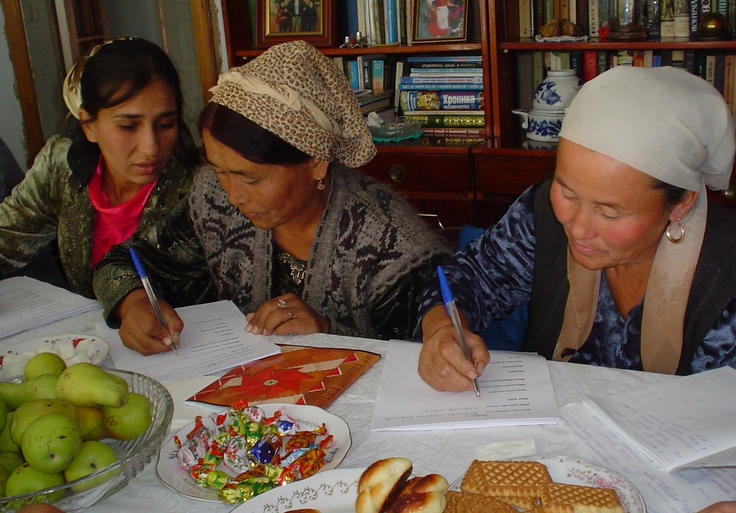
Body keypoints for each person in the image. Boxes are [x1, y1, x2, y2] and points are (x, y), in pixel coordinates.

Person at [93, 40, 449, 355]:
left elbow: (423, 360)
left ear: (316, 163)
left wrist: (328, 333)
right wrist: (133, 302)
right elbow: (124, 262)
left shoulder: (390, 247)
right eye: (219, 170)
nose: (232, 195)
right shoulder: (214, 198)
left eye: (250, 178)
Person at [417, 65, 736, 392]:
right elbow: (471, 277)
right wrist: (441, 330)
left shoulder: (725, 281)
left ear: (681, 204)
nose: (579, 228)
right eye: (567, 193)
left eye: (610, 212)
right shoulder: (542, 215)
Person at [0, 37, 202, 299]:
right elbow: (6, 240)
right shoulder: (61, 168)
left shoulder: (199, 188)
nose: (151, 147)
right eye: (128, 126)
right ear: (89, 126)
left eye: (165, 125)